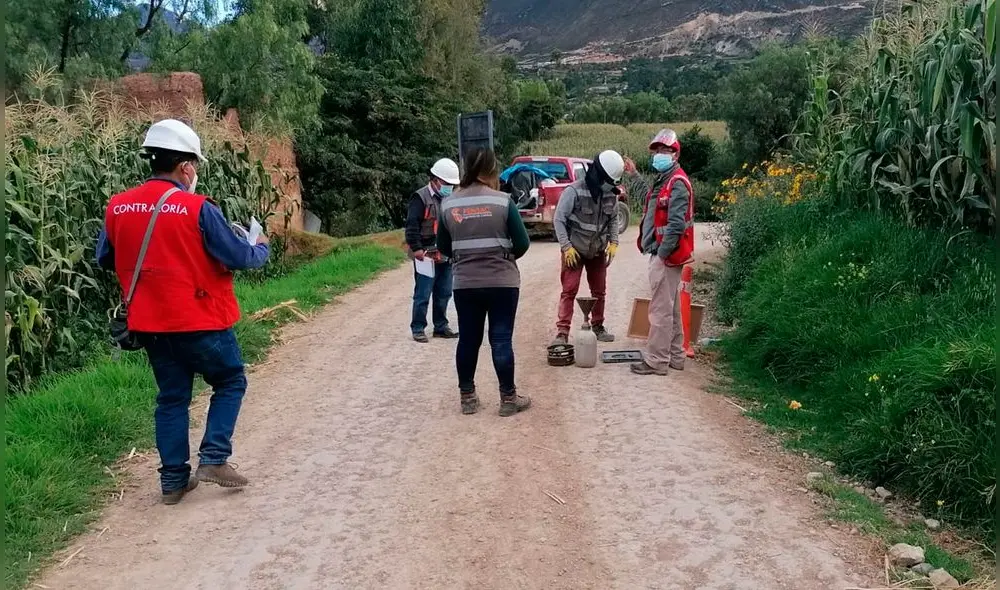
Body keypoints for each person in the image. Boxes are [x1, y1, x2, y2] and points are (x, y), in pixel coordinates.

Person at [96, 119, 270, 504]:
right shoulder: (197, 208)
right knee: (230, 381)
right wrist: (260, 245)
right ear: (186, 167)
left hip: (150, 324)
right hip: (201, 320)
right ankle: (213, 458)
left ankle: (173, 481)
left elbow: (105, 258)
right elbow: (239, 256)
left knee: (171, 398)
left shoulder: (117, 206)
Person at [437, 148, 532, 417]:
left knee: (468, 339)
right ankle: (508, 399)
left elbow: (443, 246)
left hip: (465, 284)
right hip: (502, 282)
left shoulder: (449, 205)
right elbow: (523, 243)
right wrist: (503, 258)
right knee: (501, 339)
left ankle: (467, 397)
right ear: (491, 169)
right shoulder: (503, 202)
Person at [627, 128, 695, 376]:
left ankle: (656, 360)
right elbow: (650, 198)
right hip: (666, 254)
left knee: (660, 310)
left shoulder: (677, 183)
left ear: (675, 154)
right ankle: (676, 356)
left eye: (664, 151)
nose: (658, 155)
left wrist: (664, 254)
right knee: (672, 308)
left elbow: (676, 224)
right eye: (657, 151)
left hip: (666, 256)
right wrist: (633, 175)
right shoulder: (666, 181)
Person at [551, 150, 625, 345]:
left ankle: (598, 326)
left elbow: (614, 218)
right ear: (598, 175)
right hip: (574, 250)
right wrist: (566, 247)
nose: (609, 186)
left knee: (599, 291)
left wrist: (614, 242)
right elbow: (558, 220)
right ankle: (562, 332)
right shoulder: (573, 191)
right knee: (569, 290)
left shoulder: (611, 195)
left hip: (598, 250)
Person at [405, 158, 461, 343]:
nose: (449, 188)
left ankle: (441, 326)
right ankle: (418, 328)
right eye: (447, 183)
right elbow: (412, 225)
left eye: (452, 185)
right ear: (435, 179)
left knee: (444, 292)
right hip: (425, 254)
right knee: (423, 293)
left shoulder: (451, 199)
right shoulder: (419, 198)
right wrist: (416, 249)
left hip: (445, 253)